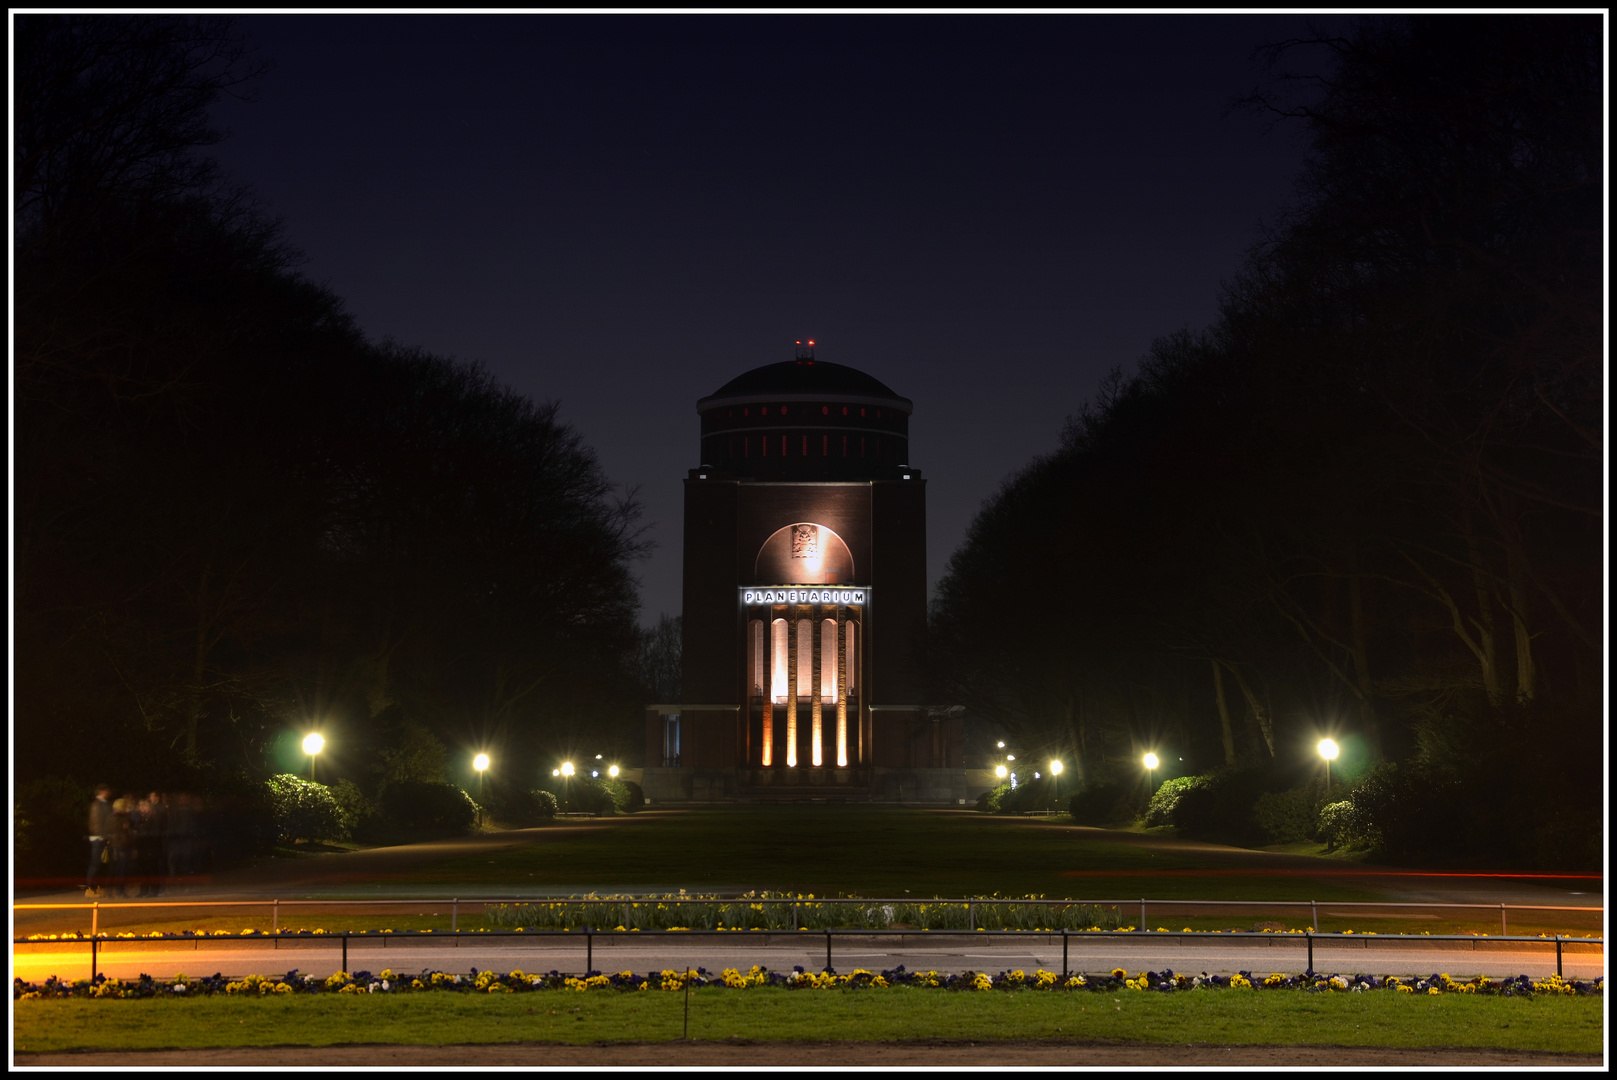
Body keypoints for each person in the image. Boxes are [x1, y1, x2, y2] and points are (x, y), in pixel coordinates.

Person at [85, 785, 113, 898]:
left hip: (101, 837)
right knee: (95, 863)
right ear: (102, 791)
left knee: (100, 864)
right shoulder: (97, 805)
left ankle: (96, 887)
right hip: (99, 837)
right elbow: (97, 821)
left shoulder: (102, 804)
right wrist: (102, 835)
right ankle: (90, 888)